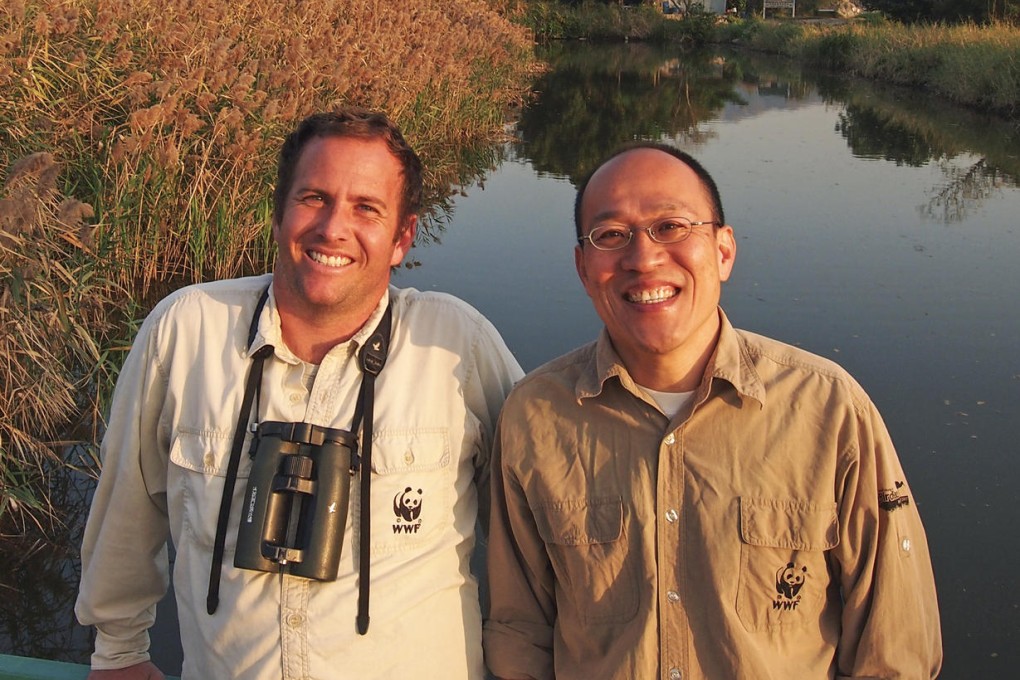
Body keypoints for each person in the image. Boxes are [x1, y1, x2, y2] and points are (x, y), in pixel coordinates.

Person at [76, 107, 523, 679]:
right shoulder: (186, 330)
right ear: (278, 214)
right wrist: (118, 651)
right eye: (314, 198)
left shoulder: (459, 346)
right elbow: (127, 504)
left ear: (402, 238)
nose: (333, 228)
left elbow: (535, 531)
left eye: (366, 208)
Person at [483, 142, 942, 679]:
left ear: (723, 251)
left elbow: (895, 647)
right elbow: (520, 633)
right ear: (584, 268)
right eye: (611, 235)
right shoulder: (536, 417)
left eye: (671, 227)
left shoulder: (829, 409)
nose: (643, 258)